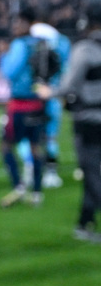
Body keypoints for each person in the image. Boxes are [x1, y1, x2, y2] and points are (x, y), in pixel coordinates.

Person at [0, 8, 53, 208]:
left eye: (18, 22)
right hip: (38, 103)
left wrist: (4, 54)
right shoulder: (41, 44)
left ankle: (19, 186)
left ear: (27, 23)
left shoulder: (20, 45)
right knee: (35, 147)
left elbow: (9, 72)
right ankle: (37, 192)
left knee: (5, 146)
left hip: (20, 104)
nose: (15, 27)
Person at [57, 18, 101, 243]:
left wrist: (51, 91)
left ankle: (85, 223)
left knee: (92, 174)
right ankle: (84, 223)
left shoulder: (85, 50)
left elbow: (68, 86)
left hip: (89, 120)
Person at [27, 18, 71, 189]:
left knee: (32, 135)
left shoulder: (30, 39)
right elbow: (65, 69)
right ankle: (51, 172)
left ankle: (32, 170)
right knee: (50, 135)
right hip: (53, 93)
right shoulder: (63, 42)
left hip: (36, 94)